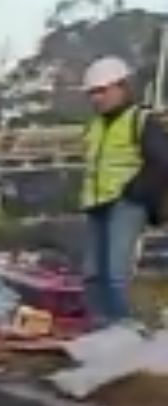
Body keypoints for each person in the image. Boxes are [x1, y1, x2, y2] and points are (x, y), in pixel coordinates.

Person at [79, 56, 168, 327]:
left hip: (125, 203)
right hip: (96, 203)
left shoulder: (141, 120)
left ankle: (125, 328)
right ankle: (102, 325)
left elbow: (162, 161)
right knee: (92, 273)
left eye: (102, 91)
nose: (97, 98)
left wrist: (136, 193)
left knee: (116, 271)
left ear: (121, 87)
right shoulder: (93, 126)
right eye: (92, 92)